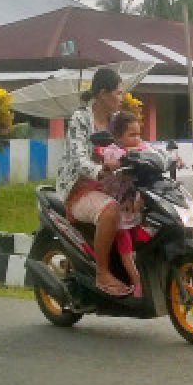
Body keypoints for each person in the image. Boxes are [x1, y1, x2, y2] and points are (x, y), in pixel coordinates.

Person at [54, 67, 131, 297]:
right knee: (110, 211)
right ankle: (102, 273)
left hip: (110, 184)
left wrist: (165, 157)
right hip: (80, 187)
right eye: (118, 93)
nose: (121, 98)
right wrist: (100, 171)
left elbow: (134, 144)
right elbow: (78, 158)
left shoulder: (116, 120)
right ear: (102, 93)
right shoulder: (80, 118)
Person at [95, 110, 147, 299]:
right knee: (125, 247)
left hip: (134, 208)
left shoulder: (141, 148)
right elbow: (110, 158)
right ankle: (137, 282)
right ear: (118, 137)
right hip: (118, 212)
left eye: (139, 134)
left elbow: (154, 151)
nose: (137, 139)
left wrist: (174, 158)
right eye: (131, 135)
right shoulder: (113, 150)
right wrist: (116, 162)